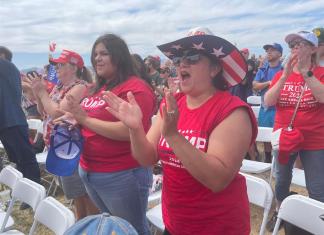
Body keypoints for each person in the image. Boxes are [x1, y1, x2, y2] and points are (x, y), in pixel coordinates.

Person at [103, 27, 258, 235]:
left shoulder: (232, 111)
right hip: (176, 223)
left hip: (218, 226)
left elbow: (217, 179)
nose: (182, 64)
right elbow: (146, 157)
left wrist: (173, 136)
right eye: (178, 60)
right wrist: (135, 129)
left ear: (214, 69)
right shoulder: (173, 103)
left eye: (193, 57)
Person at [57, 34, 155, 235]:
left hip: (121, 174)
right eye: (95, 54)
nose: (97, 59)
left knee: (131, 228)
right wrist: (74, 121)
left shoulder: (136, 89)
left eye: (104, 53)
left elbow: (129, 131)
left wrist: (85, 119)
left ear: (119, 57)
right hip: (90, 170)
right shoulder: (98, 88)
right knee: (111, 226)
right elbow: (90, 119)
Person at [264, 31, 324, 231]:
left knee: (317, 187)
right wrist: (284, 78)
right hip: (284, 138)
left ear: (313, 48)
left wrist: (307, 73)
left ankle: (316, 223)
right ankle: (282, 212)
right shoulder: (282, 74)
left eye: (300, 44)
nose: (295, 48)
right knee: (281, 178)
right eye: (292, 45)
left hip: (314, 139)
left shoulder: (321, 73)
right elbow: (268, 101)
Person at [30, 49, 97, 220]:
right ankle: (82, 223)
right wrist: (39, 95)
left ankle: (89, 225)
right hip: (60, 147)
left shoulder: (80, 87)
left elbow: (57, 114)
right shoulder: (60, 87)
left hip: (71, 148)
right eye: (56, 65)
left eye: (61, 64)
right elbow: (42, 111)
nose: (56, 68)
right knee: (76, 194)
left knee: (84, 194)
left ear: (74, 68)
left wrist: (43, 93)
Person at [0, 46, 41, 193]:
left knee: (26, 159)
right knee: (18, 160)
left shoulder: (8, 67)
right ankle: (25, 191)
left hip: (12, 122)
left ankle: (35, 191)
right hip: (6, 123)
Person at [253, 43, 283, 163]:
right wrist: (270, 82)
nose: (268, 52)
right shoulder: (263, 69)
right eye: (267, 50)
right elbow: (255, 86)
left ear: (280, 54)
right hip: (265, 108)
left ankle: (279, 161)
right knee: (265, 137)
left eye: (272, 50)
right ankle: (267, 159)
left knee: (279, 137)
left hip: (280, 108)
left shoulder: (284, 69)